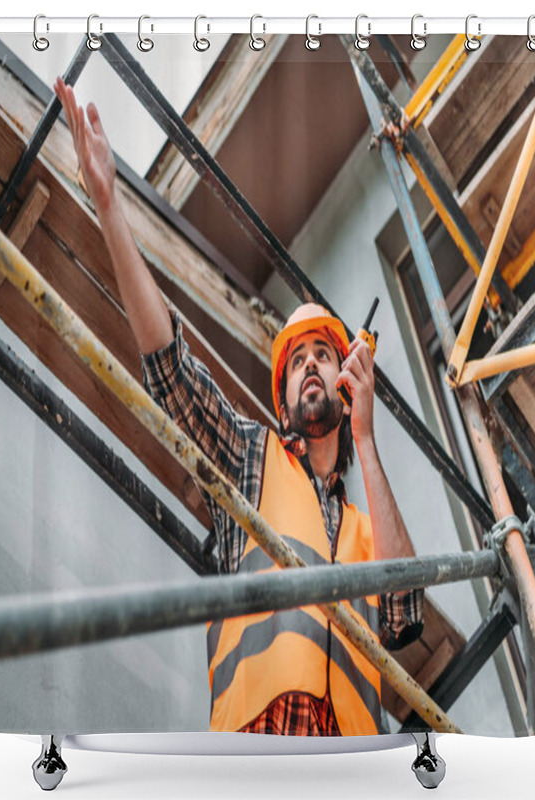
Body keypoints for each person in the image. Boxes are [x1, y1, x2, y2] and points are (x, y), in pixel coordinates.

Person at [54, 78, 423, 736]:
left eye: (322, 354)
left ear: (344, 385)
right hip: (260, 733)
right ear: (283, 397)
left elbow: (400, 616)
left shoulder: (368, 532)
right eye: (298, 359)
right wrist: (110, 208)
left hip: (348, 762)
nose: (311, 362)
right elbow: (171, 369)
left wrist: (366, 440)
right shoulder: (254, 460)